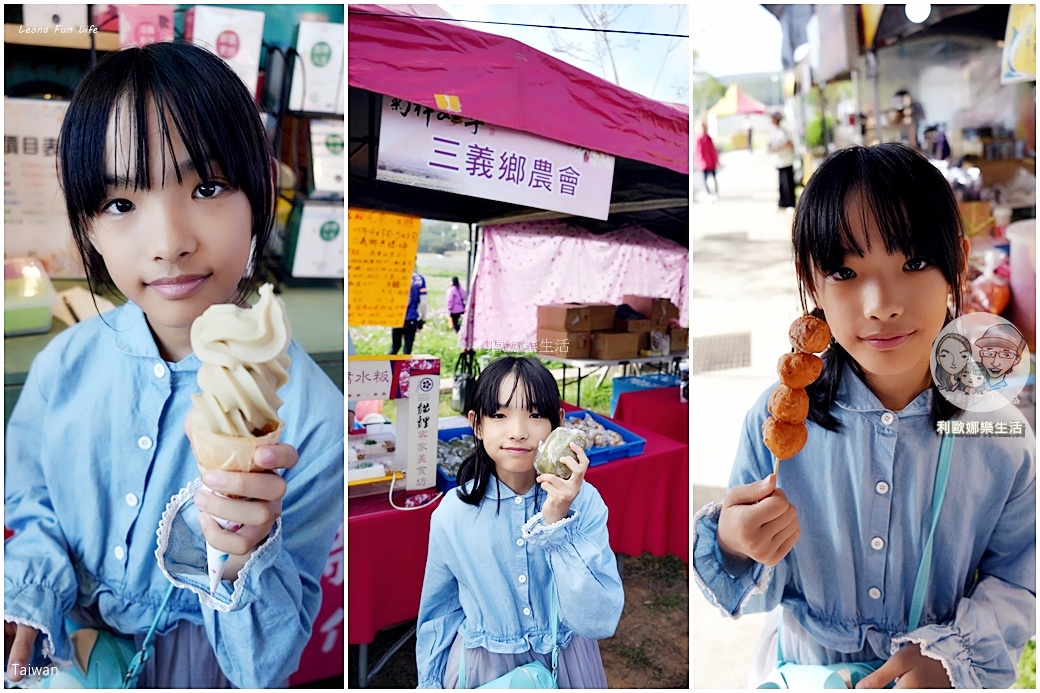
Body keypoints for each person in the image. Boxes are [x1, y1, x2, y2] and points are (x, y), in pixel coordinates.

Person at [4, 42, 344, 688]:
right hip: (68, 650)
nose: (169, 243)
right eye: (121, 204)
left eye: (207, 187)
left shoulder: (311, 418)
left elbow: (264, 665)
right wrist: (27, 591)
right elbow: (32, 502)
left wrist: (241, 554)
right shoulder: (62, 366)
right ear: (87, 225)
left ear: (259, 193)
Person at [693, 143, 1034, 688]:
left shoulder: (1002, 438)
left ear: (957, 263)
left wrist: (950, 660)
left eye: (913, 263)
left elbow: (1020, 581)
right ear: (811, 281)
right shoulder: (774, 424)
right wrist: (734, 545)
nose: (881, 304)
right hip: (805, 669)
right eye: (844, 271)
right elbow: (751, 579)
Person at [415, 356, 624, 688]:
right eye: (499, 415)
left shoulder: (584, 502)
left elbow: (598, 620)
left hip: (566, 663)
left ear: (559, 423)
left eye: (535, 414)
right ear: (477, 424)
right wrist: (429, 682)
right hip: (483, 669)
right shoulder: (452, 513)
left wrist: (557, 523)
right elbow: (439, 611)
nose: (518, 432)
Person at [390, 269, 427, 354]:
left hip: (396, 317)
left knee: (395, 347)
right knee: (407, 349)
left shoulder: (395, 276)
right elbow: (423, 302)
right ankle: (404, 363)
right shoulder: (419, 279)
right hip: (411, 318)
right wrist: (423, 318)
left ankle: (386, 362)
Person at [767, 111, 796, 211]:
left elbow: (789, 144)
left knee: (788, 183)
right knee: (781, 183)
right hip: (779, 161)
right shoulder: (773, 131)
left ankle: (790, 203)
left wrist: (777, 149)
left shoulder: (783, 131)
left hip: (786, 160)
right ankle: (782, 202)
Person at [695, 119, 720, 197]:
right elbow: (699, 152)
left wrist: (716, 160)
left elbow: (712, 151)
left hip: (708, 163)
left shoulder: (707, 138)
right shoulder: (701, 139)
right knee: (708, 179)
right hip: (706, 163)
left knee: (710, 179)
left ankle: (712, 192)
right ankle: (711, 193)